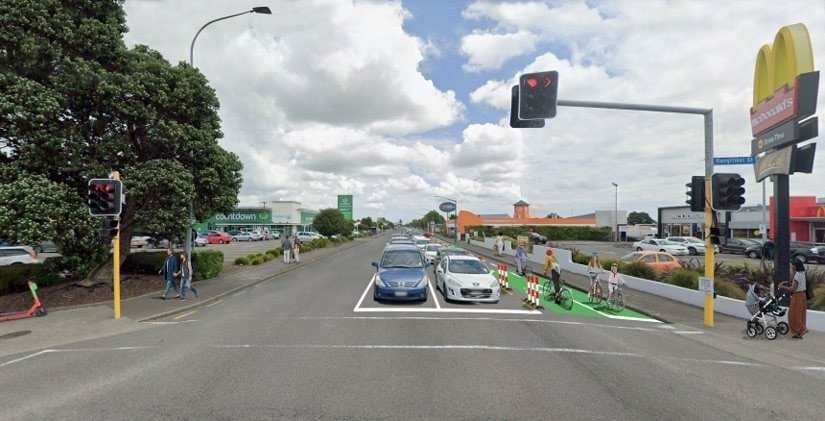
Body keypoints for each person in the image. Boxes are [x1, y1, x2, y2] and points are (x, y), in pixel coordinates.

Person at [779, 259, 808, 339]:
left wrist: (782, 287)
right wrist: (792, 273)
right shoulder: (801, 273)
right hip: (803, 295)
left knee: (793, 314)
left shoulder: (797, 275)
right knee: (800, 314)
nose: (791, 266)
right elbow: (795, 282)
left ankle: (802, 329)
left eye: (792, 265)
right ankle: (798, 333)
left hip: (797, 296)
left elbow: (793, 289)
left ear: (795, 266)